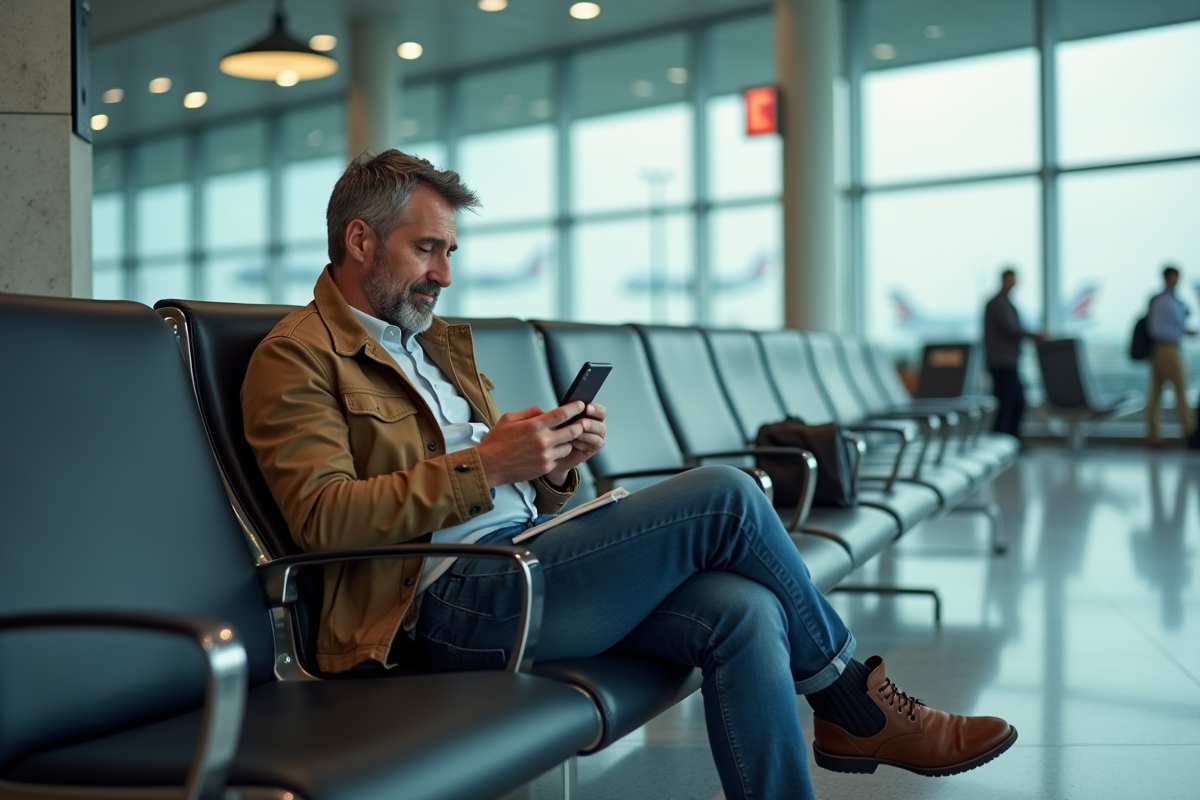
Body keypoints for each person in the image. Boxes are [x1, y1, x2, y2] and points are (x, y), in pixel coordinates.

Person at [241, 150, 1015, 800]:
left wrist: (549, 465)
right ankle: (853, 703)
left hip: (524, 555)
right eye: (427, 249)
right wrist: (485, 464)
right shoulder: (295, 357)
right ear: (360, 240)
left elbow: (493, 482)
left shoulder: (432, 344)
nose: (443, 273)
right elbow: (323, 519)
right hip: (446, 605)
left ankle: (832, 735)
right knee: (728, 494)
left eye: (450, 252)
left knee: (745, 610)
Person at [983, 267, 1039, 440]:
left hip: (1006, 361)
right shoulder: (998, 303)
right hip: (1001, 362)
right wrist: (1035, 335)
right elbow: (1011, 329)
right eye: (1013, 279)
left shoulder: (1003, 302)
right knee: (1010, 402)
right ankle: (1005, 440)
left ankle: (1007, 440)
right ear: (1005, 279)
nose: (1016, 283)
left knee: (1010, 402)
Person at [1146, 264, 1195, 446]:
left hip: (1167, 347)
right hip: (1165, 348)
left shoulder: (1174, 300)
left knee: (1157, 392)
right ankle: (1189, 431)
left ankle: (1153, 434)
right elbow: (1157, 328)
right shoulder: (1162, 301)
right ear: (1167, 278)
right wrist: (1180, 332)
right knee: (1181, 387)